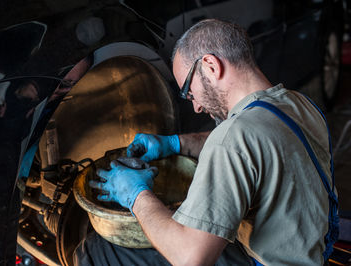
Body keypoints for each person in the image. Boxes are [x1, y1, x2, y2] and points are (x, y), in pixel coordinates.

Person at [82, 19, 338, 265]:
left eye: (189, 92)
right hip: (308, 254)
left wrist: (136, 195)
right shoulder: (296, 103)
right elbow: (251, 149)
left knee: (98, 250)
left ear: (211, 66)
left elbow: (191, 259)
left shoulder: (232, 137)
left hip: (261, 262)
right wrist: (173, 144)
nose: (195, 107)